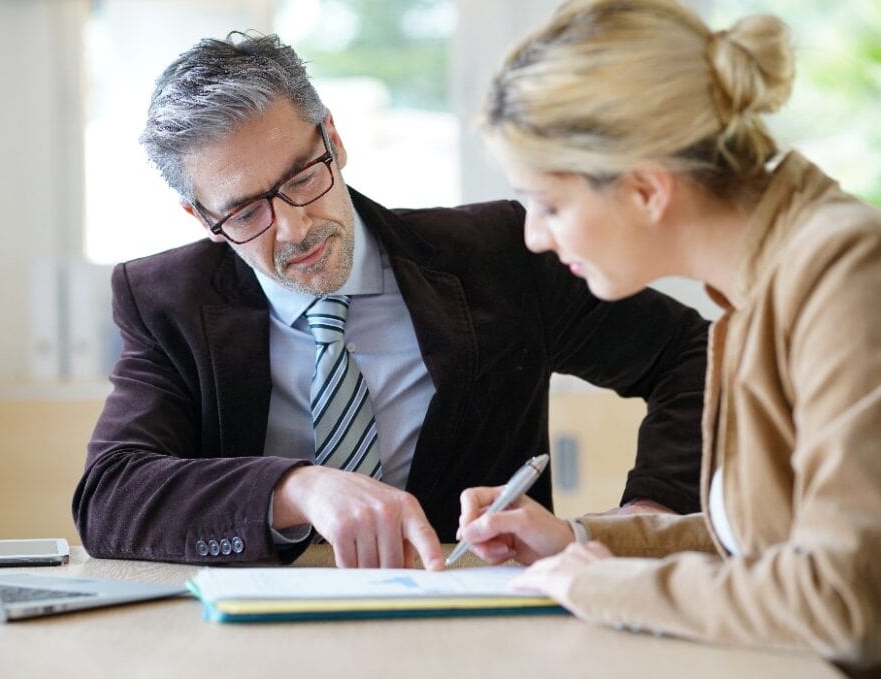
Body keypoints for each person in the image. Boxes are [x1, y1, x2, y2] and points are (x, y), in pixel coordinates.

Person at [72, 31, 710, 571]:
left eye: (302, 178)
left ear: (334, 140)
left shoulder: (499, 256)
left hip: (471, 616)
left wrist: (649, 515)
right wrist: (294, 488)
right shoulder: (166, 301)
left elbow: (692, 352)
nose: (294, 229)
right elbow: (110, 499)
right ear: (198, 214)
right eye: (244, 212)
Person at [457, 0, 881, 670]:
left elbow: (840, 595)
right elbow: (760, 544)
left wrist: (602, 585)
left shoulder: (843, 274)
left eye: (550, 204)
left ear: (646, 190)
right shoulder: (760, 285)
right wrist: (575, 540)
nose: (534, 237)